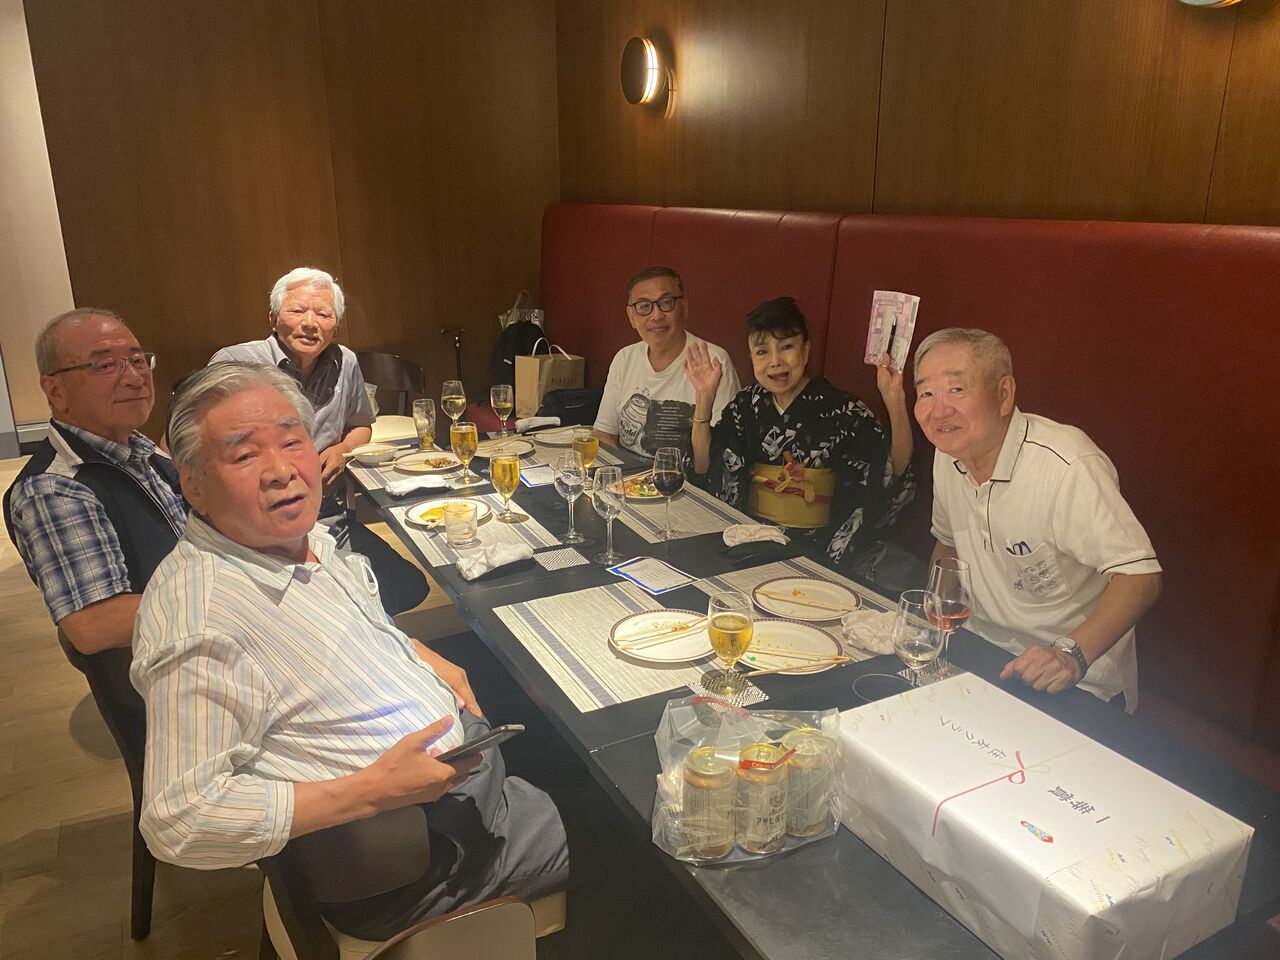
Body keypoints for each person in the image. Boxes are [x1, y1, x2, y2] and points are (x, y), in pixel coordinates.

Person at [132, 363, 567, 939]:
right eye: (244, 455)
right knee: (628, 827)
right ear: (192, 484)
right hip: (414, 852)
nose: (282, 470)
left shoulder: (296, 538)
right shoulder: (203, 619)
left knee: (563, 723)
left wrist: (414, 650)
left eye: (292, 441)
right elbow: (179, 820)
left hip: (452, 778)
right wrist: (369, 792)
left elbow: (341, 628)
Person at [912, 327, 1161, 710]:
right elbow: (948, 545)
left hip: (1072, 680)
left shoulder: (1066, 464)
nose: (939, 410)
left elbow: (1140, 577)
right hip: (979, 653)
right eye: (926, 393)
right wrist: (934, 621)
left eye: (957, 389)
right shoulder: (949, 453)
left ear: (1003, 394)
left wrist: (1070, 655)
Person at [211, 266, 427, 614]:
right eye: (297, 311)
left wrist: (342, 450)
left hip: (326, 517)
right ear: (273, 318)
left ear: (335, 325)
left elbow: (361, 426)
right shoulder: (236, 363)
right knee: (337, 608)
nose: (310, 323)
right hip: (258, 529)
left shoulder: (346, 362)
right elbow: (202, 445)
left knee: (407, 586)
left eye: (323, 314)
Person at [4, 309, 185, 654]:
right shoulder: (55, 487)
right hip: (167, 670)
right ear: (55, 390)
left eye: (138, 360)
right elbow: (96, 624)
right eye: (104, 365)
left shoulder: (143, 450)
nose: (135, 378)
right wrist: (233, 591)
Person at [685, 297, 915, 570]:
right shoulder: (746, 406)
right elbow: (703, 468)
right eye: (762, 352)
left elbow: (890, 473)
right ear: (750, 357)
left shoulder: (844, 410)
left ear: (806, 351)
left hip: (818, 550)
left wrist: (894, 400)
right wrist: (704, 397)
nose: (775, 362)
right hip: (748, 540)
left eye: (786, 347)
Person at [594, 266, 741, 457]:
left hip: (689, 474)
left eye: (666, 303)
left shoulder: (713, 361)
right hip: (629, 473)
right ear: (632, 317)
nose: (656, 316)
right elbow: (605, 434)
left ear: (684, 308)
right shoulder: (624, 358)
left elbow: (725, 450)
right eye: (644, 306)